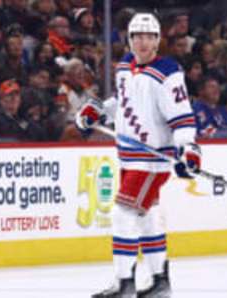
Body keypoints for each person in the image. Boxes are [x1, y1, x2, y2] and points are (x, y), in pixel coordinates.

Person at [75, 12, 201, 298]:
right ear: (129, 40)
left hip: (152, 160)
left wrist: (188, 149)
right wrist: (100, 111)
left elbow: (182, 118)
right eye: (137, 36)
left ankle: (124, 283)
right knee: (147, 215)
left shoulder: (168, 73)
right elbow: (123, 100)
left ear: (157, 41)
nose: (143, 42)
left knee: (123, 213)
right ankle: (160, 281)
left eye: (149, 36)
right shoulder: (125, 66)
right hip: (128, 155)